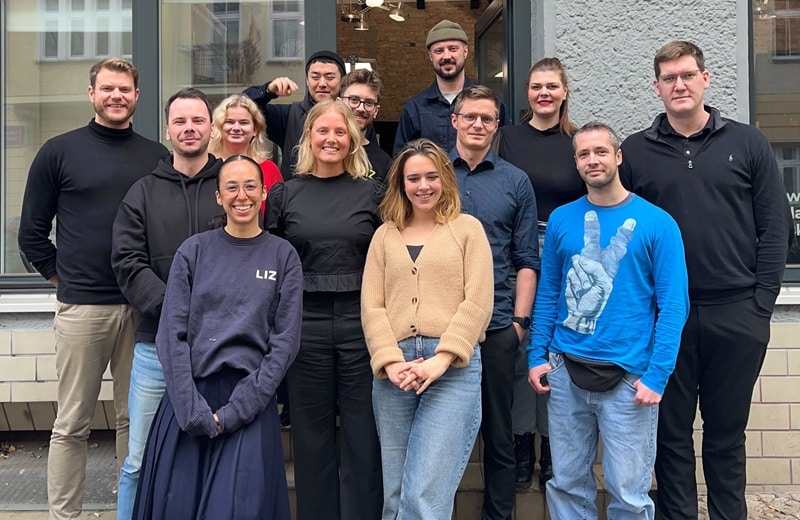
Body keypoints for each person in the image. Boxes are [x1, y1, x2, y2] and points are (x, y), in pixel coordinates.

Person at [619, 41, 791, 519]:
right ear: (656, 87)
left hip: (737, 313)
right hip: (664, 318)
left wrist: (761, 304)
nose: (679, 85)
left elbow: (776, 227)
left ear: (705, 79)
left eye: (687, 75)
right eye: (669, 78)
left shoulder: (748, 143)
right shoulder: (635, 152)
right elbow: (624, 234)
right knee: (669, 436)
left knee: (726, 435)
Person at [17, 57, 168, 520]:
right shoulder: (58, 152)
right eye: (107, 89)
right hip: (83, 308)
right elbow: (31, 234)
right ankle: (65, 515)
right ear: (92, 94)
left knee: (134, 421)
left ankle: (132, 511)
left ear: (137, 96)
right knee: (71, 423)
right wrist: (64, 280)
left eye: (124, 89)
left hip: (142, 310)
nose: (116, 96)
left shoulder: (156, 157)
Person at [528, 121, 689, 520]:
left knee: (629, 495)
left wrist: (657, 375)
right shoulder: (562, 220)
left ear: (618, 156)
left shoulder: (658, 223)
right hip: (565, 369)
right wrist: (536, 355)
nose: (592, 160)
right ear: (576, 163)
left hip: (630, 377)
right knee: (567, 484)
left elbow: (674, 305)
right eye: (583, 154)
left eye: (601, 151)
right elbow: (548, 293)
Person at [132, 155, 303, 520]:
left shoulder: (282, 256)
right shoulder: (194, 251)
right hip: (189, 401)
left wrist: (236, 411)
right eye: (232, 187)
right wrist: (190, 408)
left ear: (263, 193)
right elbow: (171, 334)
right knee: (176, 507)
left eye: (250, 186)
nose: (241, 195)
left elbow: (284, 343)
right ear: (219, 196)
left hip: (249, 401)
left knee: (237, 508)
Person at [362, 138, 494, 519]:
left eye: (432, 177)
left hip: (452, 369)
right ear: (401, 184)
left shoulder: (467, 230)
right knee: (396, 496)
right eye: (414, 178)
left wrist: (442, 358)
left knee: (423, 496)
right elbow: (372, 305)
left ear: (445, 179)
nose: (423, 186)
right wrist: (389, 361)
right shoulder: (384, 236)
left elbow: (478, 301)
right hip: (396, 372)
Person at [265, 100, 383, 520]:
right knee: (310, 437)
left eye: (340, 131)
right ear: (308, 137)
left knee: (362, 435)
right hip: (305, 326)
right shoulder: (285, 194)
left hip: (361, 326)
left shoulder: (374, 193)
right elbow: (270, 258)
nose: (331, 139)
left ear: (353, 139)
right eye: (323, 131)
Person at [111, 87, 223, 520]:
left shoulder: (231, 186)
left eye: (197, 120)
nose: (189, 128)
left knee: (210, 458)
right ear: (167, 130)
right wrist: (175, 309)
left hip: (221, 347)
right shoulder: (142, 192)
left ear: (211, 128)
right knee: (138, 460)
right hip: (156, 346)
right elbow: (127, 261)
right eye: (180, 121)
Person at [449, 85, 539, 520]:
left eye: (487, 119)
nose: (478, 125)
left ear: (497, 126)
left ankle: (497, 515)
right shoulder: (432, 173)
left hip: (498, 324)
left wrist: (519, 322)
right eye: (470, 116)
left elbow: (527, 259)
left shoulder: (515, 181)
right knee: (440, 433)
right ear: (455, 120)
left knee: (499, 433)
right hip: (440, 324)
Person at [494, 57, 585, 490]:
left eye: (552, 86)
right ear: (526, 93)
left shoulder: (577, 141)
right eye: (536, 87)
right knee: (520, 345)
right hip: (518, 250)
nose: (543, 93)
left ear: (565, 92)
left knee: (556, 349)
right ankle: (521, 443)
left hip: (567, 252)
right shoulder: (506, 138)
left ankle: (551, 444)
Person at [393, 20, 507, 154]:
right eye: (439, 51)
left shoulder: (492, 104)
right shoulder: (414, 109)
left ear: (465, 51)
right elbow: (401, 159)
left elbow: (505, 153)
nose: (446, 56)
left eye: (453, 49)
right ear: (430, 56)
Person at [245, 50, 346, 180]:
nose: (322, 84)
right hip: (295, 191)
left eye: (329, 77)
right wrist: (267, 91)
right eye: (315, 77)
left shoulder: (352, 117)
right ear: (307, 80)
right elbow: (243, 107)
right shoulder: (288, 116)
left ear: (342, 81)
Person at [209, 93, 282, 198]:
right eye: (229, 122)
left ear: (255, 129)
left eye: (244, 123)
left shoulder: (269, 170)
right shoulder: (208, 167)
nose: (236, 128)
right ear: (219, 126)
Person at [339, 69, 392, 182]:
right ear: (339, 103)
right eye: (354, 100)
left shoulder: (384, 163)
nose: (361, 108)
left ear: (376, 111)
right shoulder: (326, 151)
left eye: (369, 103)